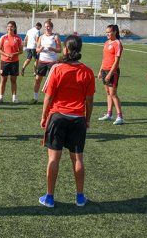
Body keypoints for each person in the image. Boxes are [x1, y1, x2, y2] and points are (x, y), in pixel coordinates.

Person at [38, 35, 95, 208]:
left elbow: (48, 96)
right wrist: (87, 119)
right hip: (78, 119)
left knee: (53, 158)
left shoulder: (57, 68)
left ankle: (49, 197)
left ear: (67, 49)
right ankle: (79, 197)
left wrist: (44, 116)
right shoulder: (87, 71)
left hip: (57, 117)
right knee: (77, 159)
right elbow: (89, 100)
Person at [97, 24, 124, 125]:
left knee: (113, 94)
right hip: (104, 70)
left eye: (109, 32)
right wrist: (100, 71)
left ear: (115, 32)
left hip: (113, 72)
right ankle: (109, 114)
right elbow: (104, 58)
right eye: (107, 32)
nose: (108, 34)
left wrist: (110, 74)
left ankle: (120, 116)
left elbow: (116, 62)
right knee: (108, 93)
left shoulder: (118, 44)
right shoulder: (106, 43)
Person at [33, 20, 61, 105]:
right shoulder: (41, 37)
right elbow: (37, 50)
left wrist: (52, 49)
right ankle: (35, 97)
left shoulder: (55, 37)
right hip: (42, 61)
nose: (47, 28)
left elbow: (60, 50)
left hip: (52, 62)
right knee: (38, 79)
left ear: (52, 27)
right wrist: (40, 49)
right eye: (45, 27)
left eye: (48, 26)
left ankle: (53, 98)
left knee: (53, 81)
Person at [0, 21, 22, 103]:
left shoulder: (18, 38)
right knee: (3, 80)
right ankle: (0, 97)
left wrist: (13, 54)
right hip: (4, 62)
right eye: (8, 26)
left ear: (14, 28)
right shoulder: (3, 37)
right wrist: (6, 54)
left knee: (13, 80)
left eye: (11, 26)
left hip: (14, 62)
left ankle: (14, 98)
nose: (9, 28)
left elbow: (21, 51)